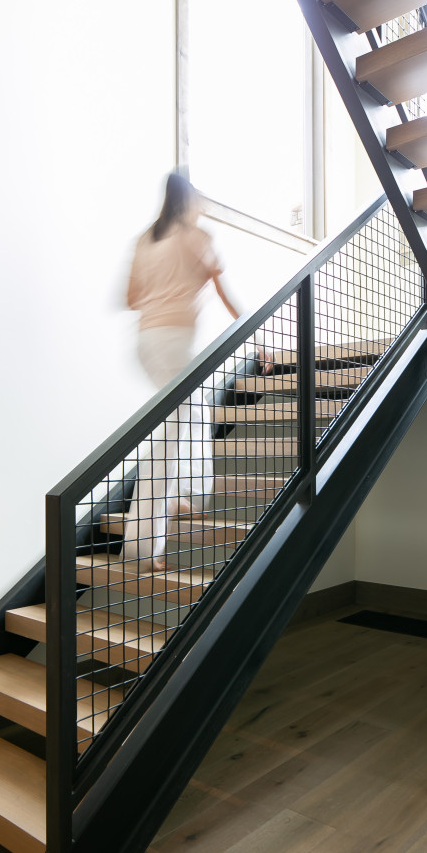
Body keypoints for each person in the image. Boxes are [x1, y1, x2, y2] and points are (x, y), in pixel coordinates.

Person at [123, 172, 243, 572]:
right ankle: (145, 547)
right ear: (190, 201)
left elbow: (131, 298)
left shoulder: (147, 237)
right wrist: (256, 334)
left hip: (146, 343)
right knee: (179, 427)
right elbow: (223, 289)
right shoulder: (195, 236)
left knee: (183, 420)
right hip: (174, 342)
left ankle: (179, 494)